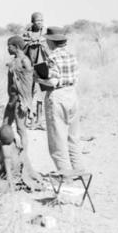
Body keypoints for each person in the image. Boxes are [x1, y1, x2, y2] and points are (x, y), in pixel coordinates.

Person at [33, 27, 84, 173]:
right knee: (73, 138)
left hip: (58, 96)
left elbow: (53, 82)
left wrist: (38, 79)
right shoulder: (72, 56)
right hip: (72, 95)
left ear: (51, 41)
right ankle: (79, 170)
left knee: (57, 140)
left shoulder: (53, 58)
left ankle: (65, 174)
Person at [2, 36, 39, 180]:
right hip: (11, 100)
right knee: (4, 127)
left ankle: (24, 158)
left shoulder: (25, 61)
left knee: (20, 129)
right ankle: (7, 157)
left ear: (15, 46)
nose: (7, 49)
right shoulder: (14, 61)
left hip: (20, 101)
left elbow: (28, 82)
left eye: (8, 46)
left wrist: (26, 102)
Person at [0, 124, 43, 192]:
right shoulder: (17, 145)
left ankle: (13, 187)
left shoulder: (5, 150)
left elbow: (5, 170)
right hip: (20, 176)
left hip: (13, 180)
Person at [22, 12, 49, 130]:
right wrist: (31, 42)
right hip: (29, 66)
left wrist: (39, 42)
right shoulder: (26, 33)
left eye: (42, 20)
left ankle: (39, 120)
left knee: (41, 93)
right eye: (38, 21)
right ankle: (30, 118)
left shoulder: (45, 32)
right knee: (29, 92)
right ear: (32, 22)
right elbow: (23, 46)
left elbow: (47, 47)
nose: (40, 23)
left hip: (41, 65)